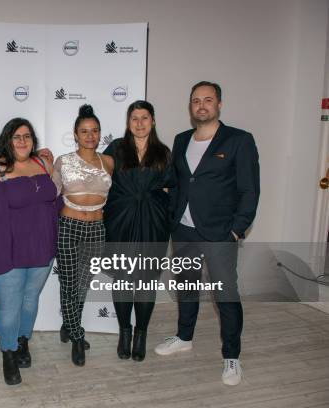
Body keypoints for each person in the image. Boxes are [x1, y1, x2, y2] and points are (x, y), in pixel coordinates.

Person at [153, 81, 260, 386]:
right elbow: (178, 183)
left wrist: (237, 230)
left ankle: (232, 356)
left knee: (225, 295)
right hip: (184, 230)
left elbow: (249, 189)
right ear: (191, 106)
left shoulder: (239, 140)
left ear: (219, 105)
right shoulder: (181, 139)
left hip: (220, 234)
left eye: (208, 100)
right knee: (186, 287)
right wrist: (172, 216)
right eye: (196, 100)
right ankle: (184, 337)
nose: (201, 105)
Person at [0, 118, 58, 385]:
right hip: (8, 251)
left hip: (42, 247)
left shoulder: (42, 164)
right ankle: (9, 353)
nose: (23, 141)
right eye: (16, 136)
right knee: (10, 307)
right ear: (7, 140)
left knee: (30, 299)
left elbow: (55, 197)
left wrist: (53, 163)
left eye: (27, 136)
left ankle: (23, 340)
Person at [103, 100, 173, 362]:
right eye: (135, 118)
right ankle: (124, 332)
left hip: (153, 224)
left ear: (152, 121)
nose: (140, 123)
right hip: (121, 221)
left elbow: (172, 190)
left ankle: (141, 333)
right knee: (122, 279)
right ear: (128, 122)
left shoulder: (164, 153)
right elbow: (99, 178)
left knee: (146, 282)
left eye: (145, 118)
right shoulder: (116, 149)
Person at [52, 104, 114, 366]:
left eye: (94, 131)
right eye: (84, 131)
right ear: (75, 134)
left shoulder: (109, 162)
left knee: (83, 284)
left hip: (96, 229)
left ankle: (69, 325)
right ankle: (77, 337)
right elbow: (50, 195)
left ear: (100, 134)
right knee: (68, 283)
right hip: (69, 225)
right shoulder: (63, 161)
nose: (90, 136)